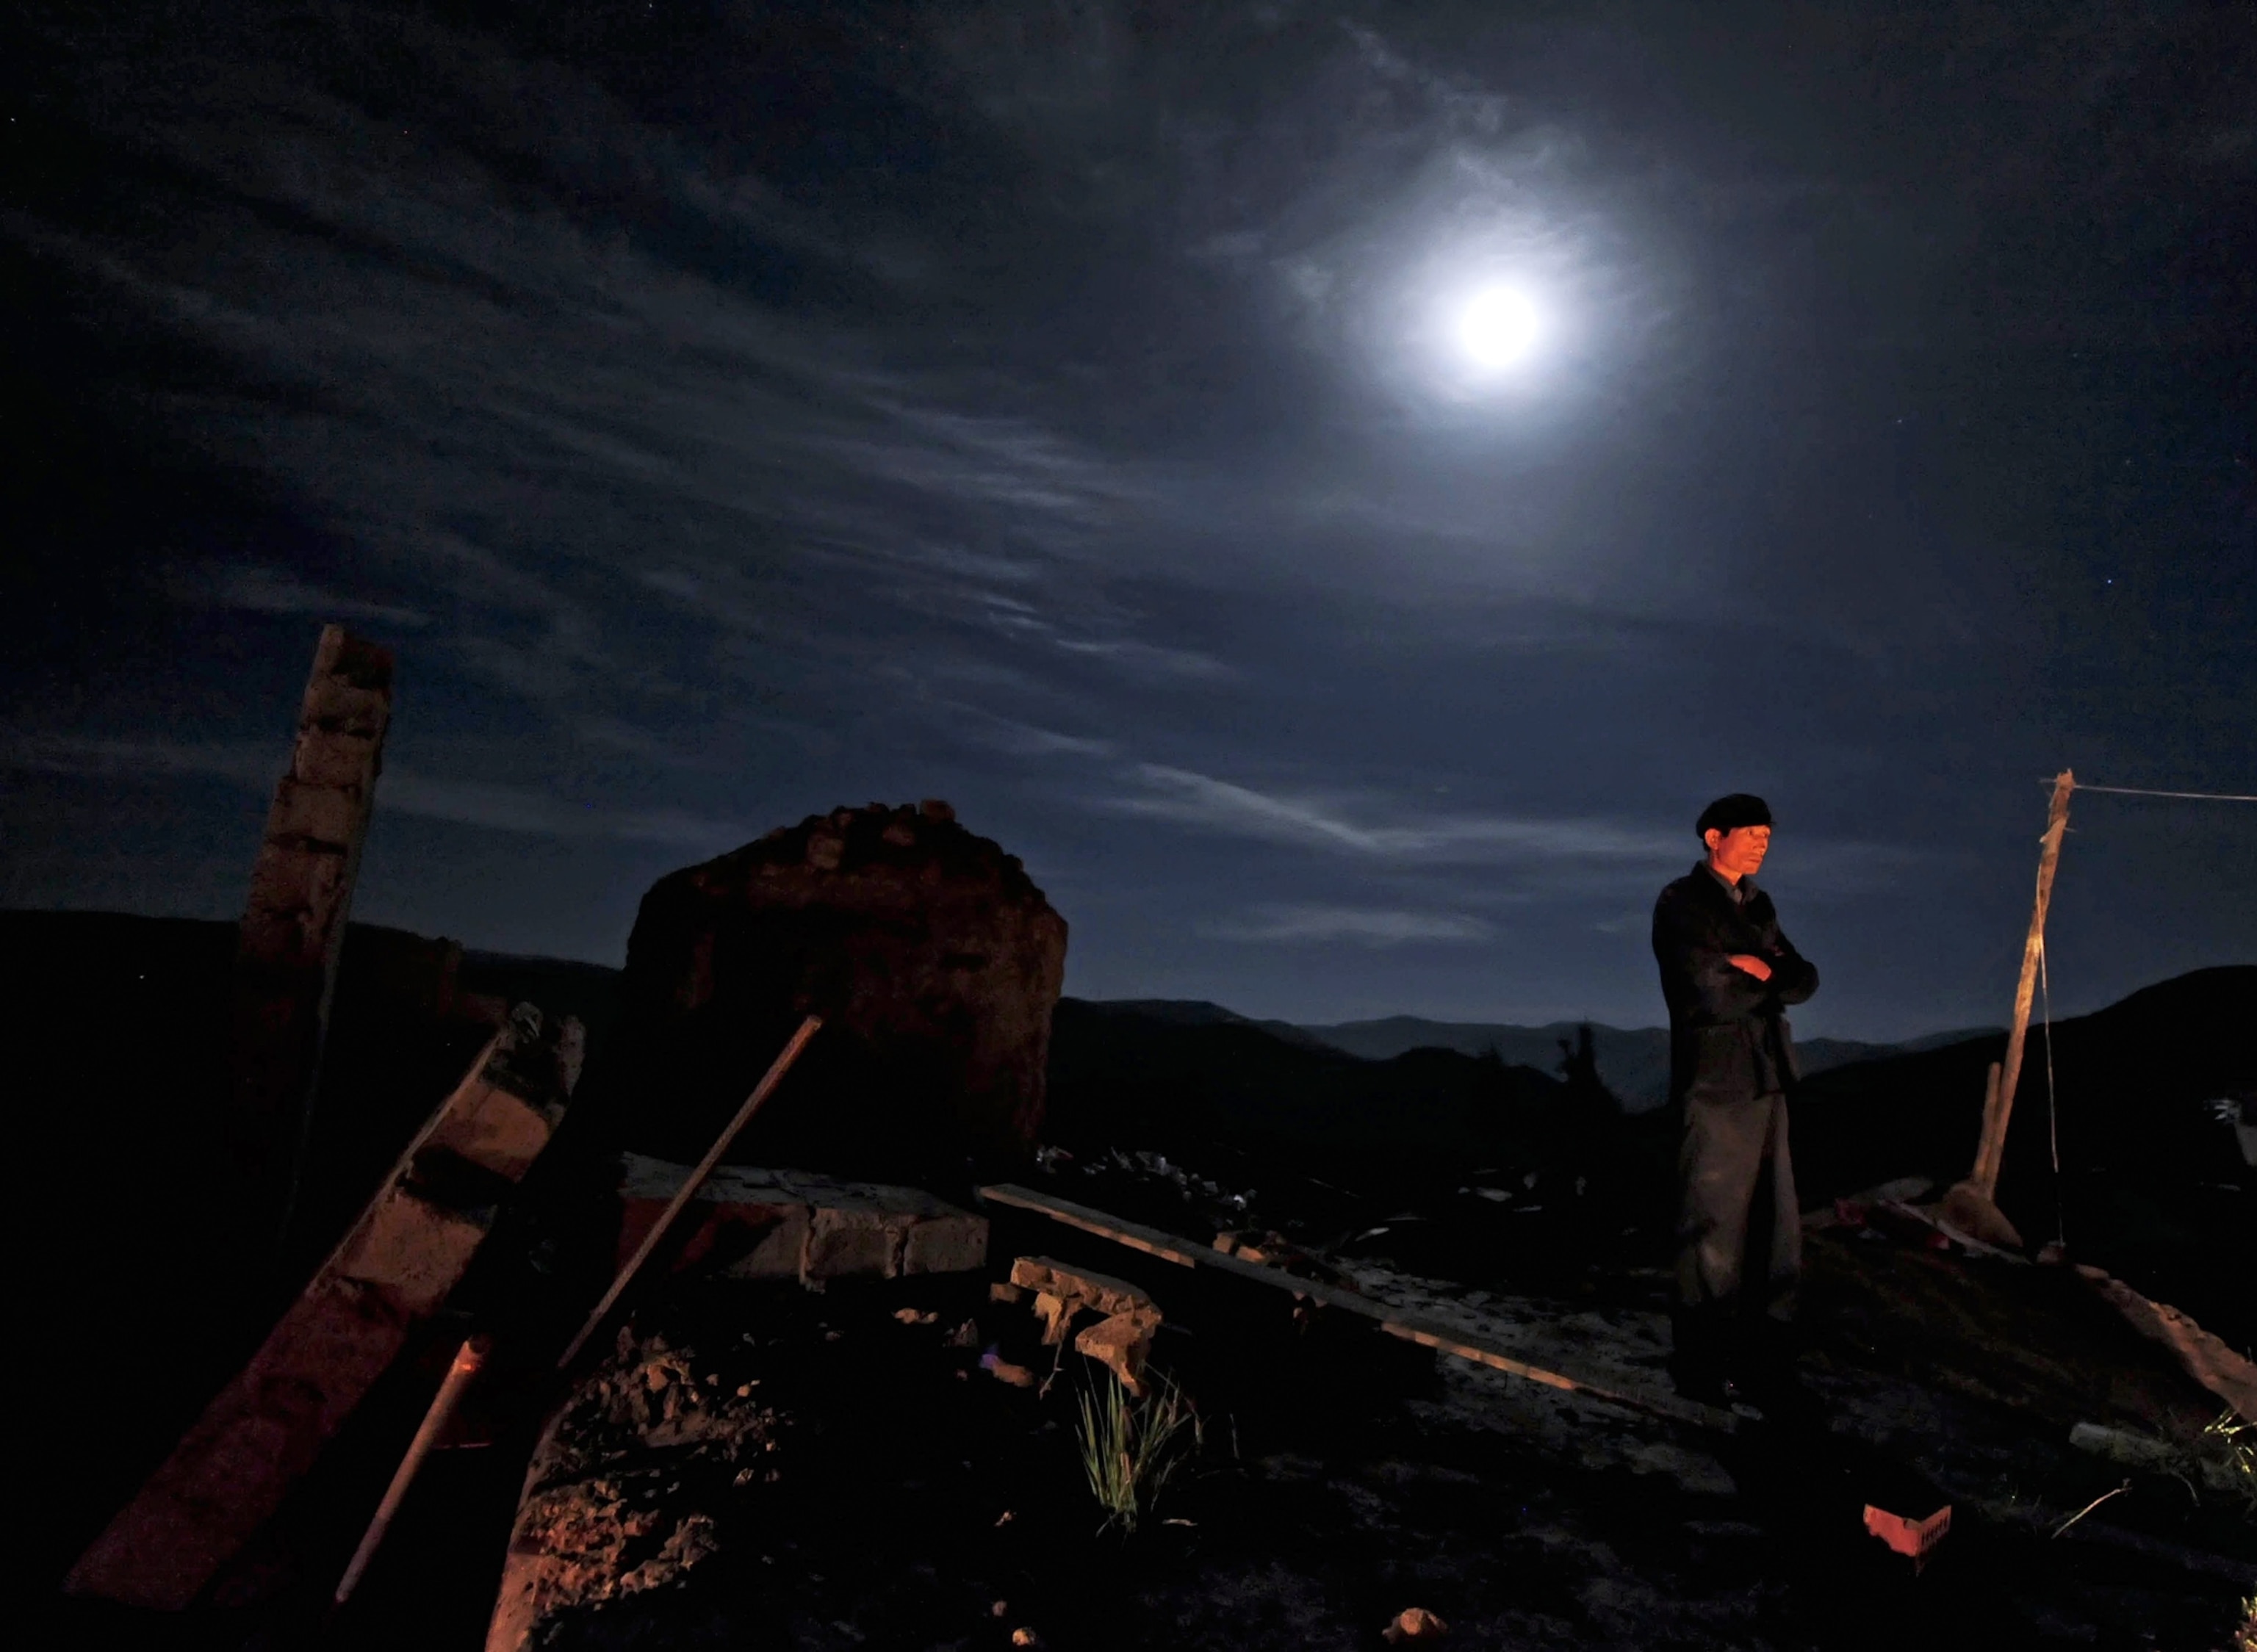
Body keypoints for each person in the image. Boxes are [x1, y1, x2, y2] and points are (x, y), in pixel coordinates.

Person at [1651, 793, 1819, 1407]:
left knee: (1776, 1235)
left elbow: (1803, 978)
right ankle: (1700, 1370)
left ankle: (1763, 1366)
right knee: (1712, 1232)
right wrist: (1758, 971)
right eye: (1751, 834)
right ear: (1713, 837)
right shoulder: (1681, 902)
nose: (1761, 845)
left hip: (1769, 1077)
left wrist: (1762, 968)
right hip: (1717, 1082)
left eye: (1768, 837)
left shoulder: (1760, 905)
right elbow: (1707, 989)